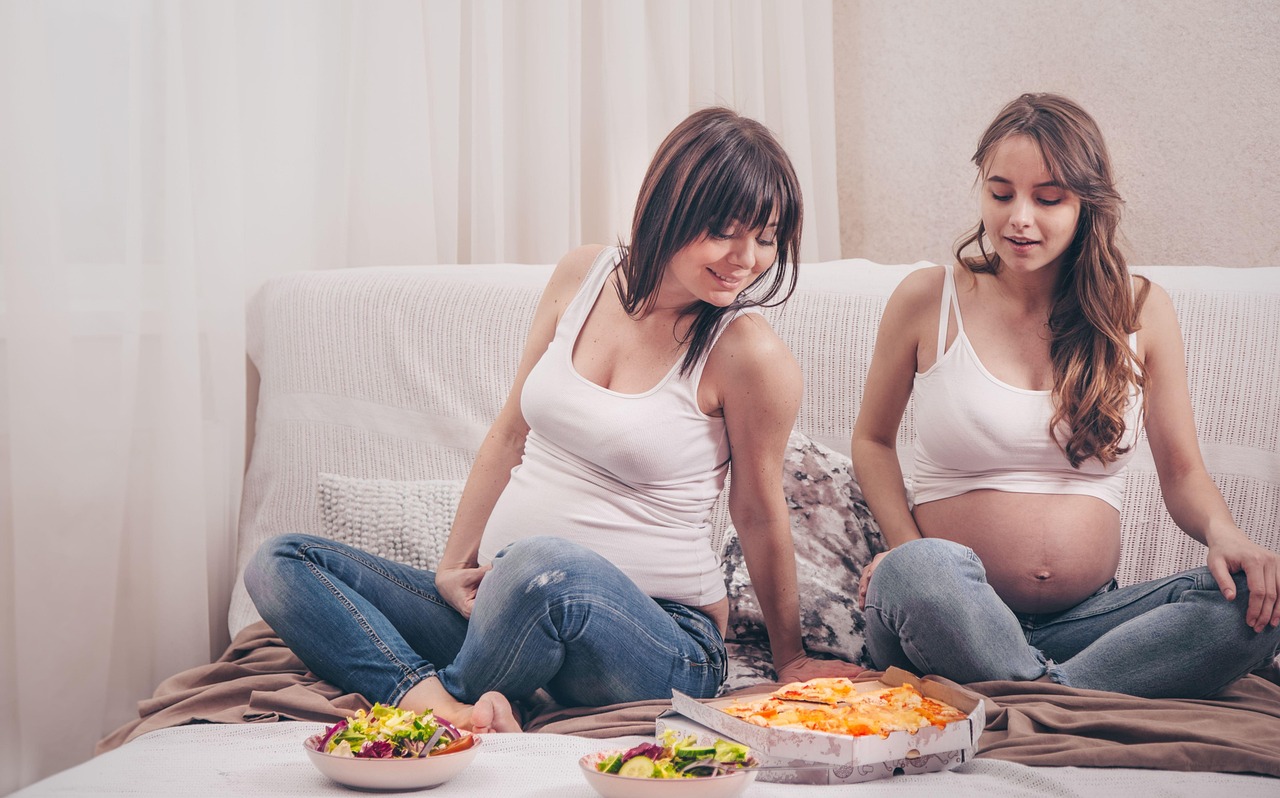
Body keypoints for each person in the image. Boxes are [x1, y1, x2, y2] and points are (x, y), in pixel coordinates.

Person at [246, 106, 862, 734]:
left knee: (543, 566)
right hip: (503, 605)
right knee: (282, 561)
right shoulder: (583, 274)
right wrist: (453, 568)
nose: (746, 258)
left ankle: (443, 710)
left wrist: (792, 658)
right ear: (669, 204)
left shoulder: (749, 353)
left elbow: (758, 509)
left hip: (657, 642)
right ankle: (441, 706)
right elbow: (510, 434)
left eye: (766, 236)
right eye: (726, 231)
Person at [849, 92, 1280, 699]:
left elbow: (1183, 473)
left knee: (1253, 604)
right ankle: (1077, 694)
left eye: (1048, 198)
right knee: (920, 570)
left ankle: (1034, 690)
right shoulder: (928, 298)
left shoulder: (1139, 309)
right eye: (1001, 194)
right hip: (949, 614)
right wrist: (903, 549)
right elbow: (871, 440)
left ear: (1087, 202)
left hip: (1090, 627)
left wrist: (1225, 533)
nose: (1019, 218)